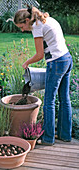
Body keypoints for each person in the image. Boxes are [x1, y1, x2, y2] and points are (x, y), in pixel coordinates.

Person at [14, 6, 73, 145]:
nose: (22, 30)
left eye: (22, 26)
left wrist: (27, 62)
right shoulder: (48, 19)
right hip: (67, 59)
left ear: (27, 20)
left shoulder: (37, 27)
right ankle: (65, 135)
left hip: (57, 63)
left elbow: (40, 55)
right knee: (64, 99)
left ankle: (48, 138)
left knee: (49, 101)